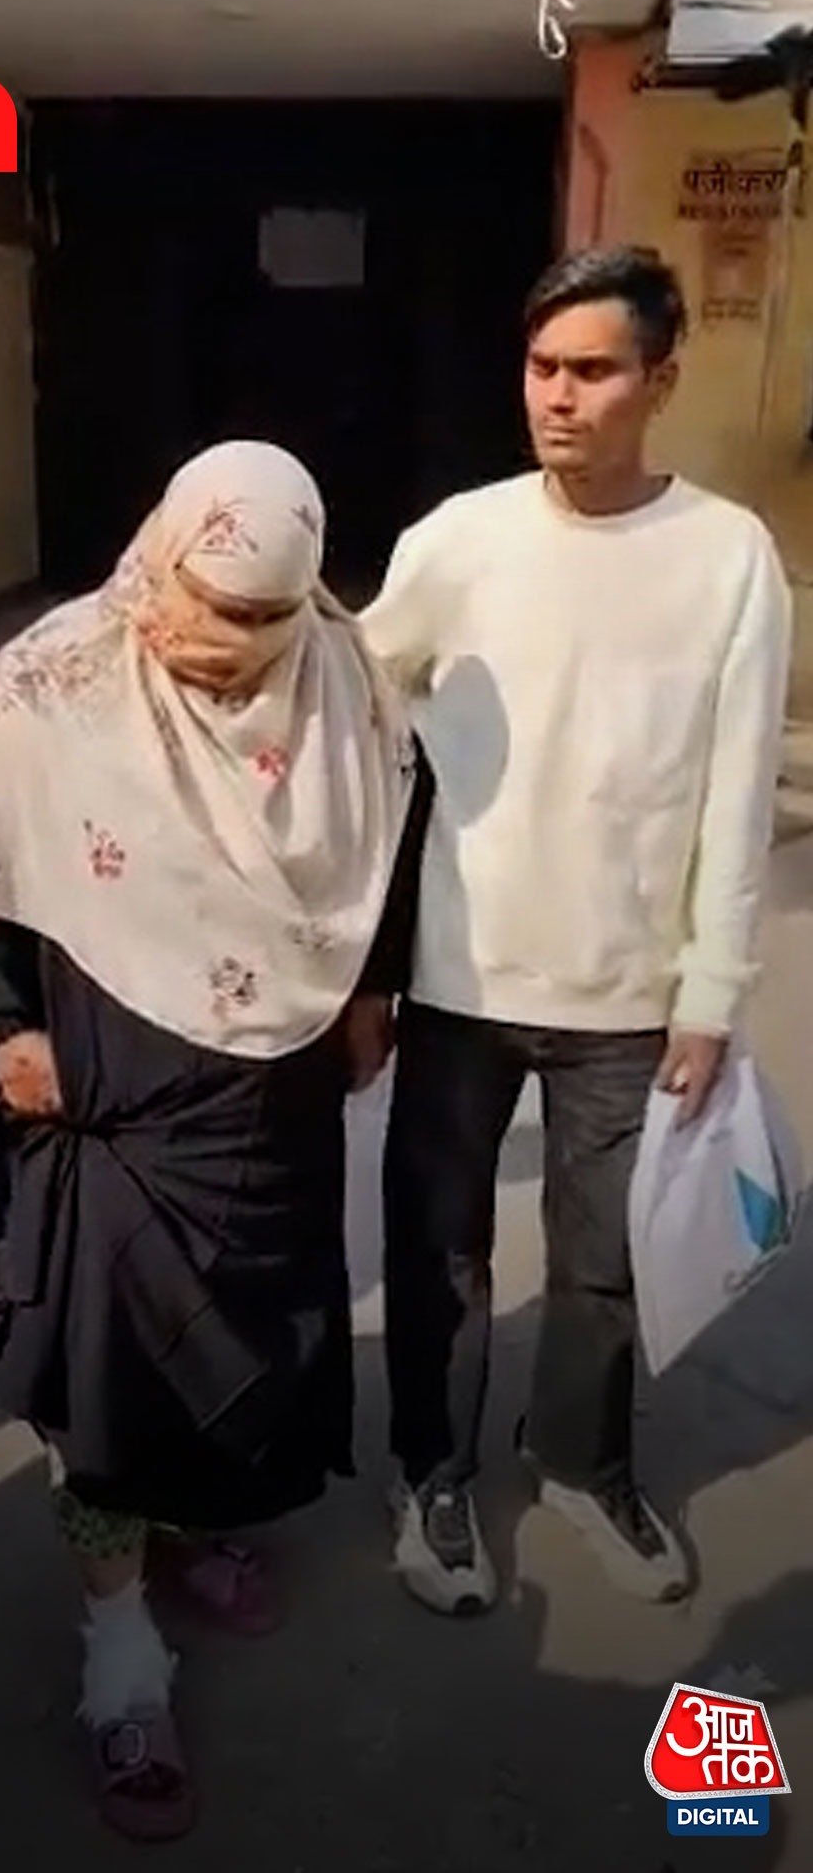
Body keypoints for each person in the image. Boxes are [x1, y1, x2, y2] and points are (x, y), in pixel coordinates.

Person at [0, 441, 430, 1840]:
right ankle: (120, 1665)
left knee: (248, 1346)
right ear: (160, 556)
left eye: (262, 617)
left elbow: (396, 831)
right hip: (108, 1105)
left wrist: (372, 991)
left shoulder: (346, 683)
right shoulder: (57, 680)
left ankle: (198, 1529)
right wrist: (1, 1034)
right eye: (205, 602)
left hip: (274, 1105)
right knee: (109, 1390)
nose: (221, 642)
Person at [361, 246, 791, 1616]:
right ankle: (431, 1475)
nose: (557, 395)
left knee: (602, 1268)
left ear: (660, 381)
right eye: (543, 366)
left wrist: (711, 991)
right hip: (460, 979)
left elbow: (738, 790)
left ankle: (582, 1466)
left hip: (629, 996)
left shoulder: (727, 557)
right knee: (440, 1251)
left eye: (594, 370)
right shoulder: (457, 541)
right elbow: (357, 726)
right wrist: (359, 968)